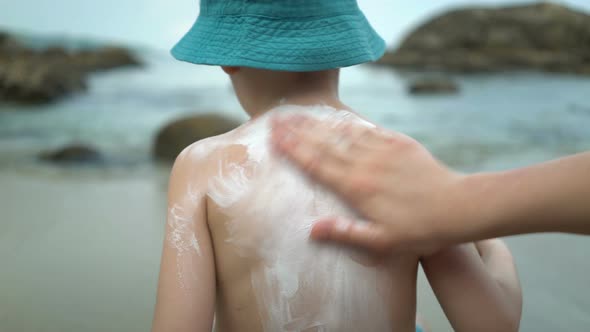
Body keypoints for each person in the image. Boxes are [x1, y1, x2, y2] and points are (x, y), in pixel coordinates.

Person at [152, 1, 522, 331]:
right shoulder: (403, 158)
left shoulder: (200, 165)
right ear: (341, 47)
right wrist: (493, 247)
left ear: (226, 58)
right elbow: (492, 324)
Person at [270, 114, 590, 255]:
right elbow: (490, 324)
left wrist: (460, 204)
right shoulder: (397, 162)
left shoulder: (216, 159)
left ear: (230, 65)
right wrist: (492, 246)